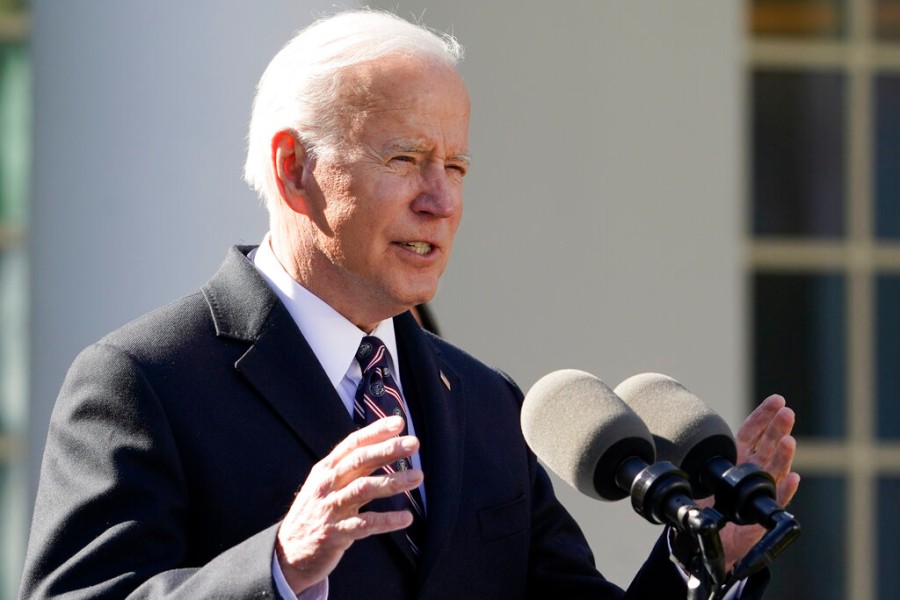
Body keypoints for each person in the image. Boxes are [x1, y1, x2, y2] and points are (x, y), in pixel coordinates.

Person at [19, 9, 799, 600]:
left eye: (456, 166)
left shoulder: (488, 405)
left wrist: (700, 559)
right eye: (406, 159)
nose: (441, 200)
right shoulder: (144, 381)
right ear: (295, 171)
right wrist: (281, 565)